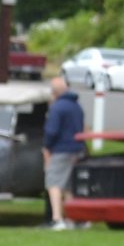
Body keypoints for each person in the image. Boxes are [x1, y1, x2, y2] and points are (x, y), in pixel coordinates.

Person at [43, 74, 87, 229]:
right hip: (78, 149)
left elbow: (51, 131)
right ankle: (73, 218)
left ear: (54, 92)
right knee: (68, 186)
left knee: (53, 183)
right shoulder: (77, 106)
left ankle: (57, 218)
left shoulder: (57, 107)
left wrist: (47, 148)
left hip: (61, 149)